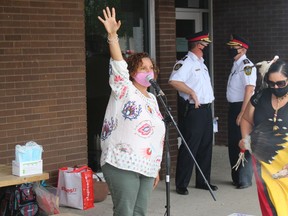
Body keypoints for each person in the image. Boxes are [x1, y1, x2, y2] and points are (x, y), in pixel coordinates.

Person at [98, 7, 166, 216]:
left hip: (146, 166)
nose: (148, 71)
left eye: (151, 68)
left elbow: (156, 136)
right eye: (142, 68)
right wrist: (112, 37)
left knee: (140, 212)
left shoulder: (153, 98)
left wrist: (155, 169)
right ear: (132, 72)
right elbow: (119, 65)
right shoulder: (124, 89)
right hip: (121, 163)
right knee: (125, 212)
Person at [169, 31, 217, 195]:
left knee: (205, 146)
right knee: (189, 147)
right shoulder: (186, 62)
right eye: (205, 45)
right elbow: (174, 80)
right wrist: (191, 92)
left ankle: (203, 181)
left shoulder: (201, 63)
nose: (206, 48)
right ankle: (181, 184)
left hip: (206, 109)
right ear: (198, 45)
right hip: (194, 111)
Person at [239, 60, 288, 216]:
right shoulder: (261, 96)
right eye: (271, 83)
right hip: (264, 160)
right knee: (271, 206)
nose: (276, 88)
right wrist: (247, 140)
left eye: (281, 84)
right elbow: (246, 119)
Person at [226, 34, 257, 189]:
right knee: (233, 143)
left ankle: (244, 179)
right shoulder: (236, 64)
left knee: (242, 142)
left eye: (234, 47)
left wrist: (242, 113)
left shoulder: (246, 65)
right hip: (234, 107)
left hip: (242, 107)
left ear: (243, 49)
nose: (231, 50)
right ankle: (237, 177)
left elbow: (249, 90)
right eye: (230, 47)